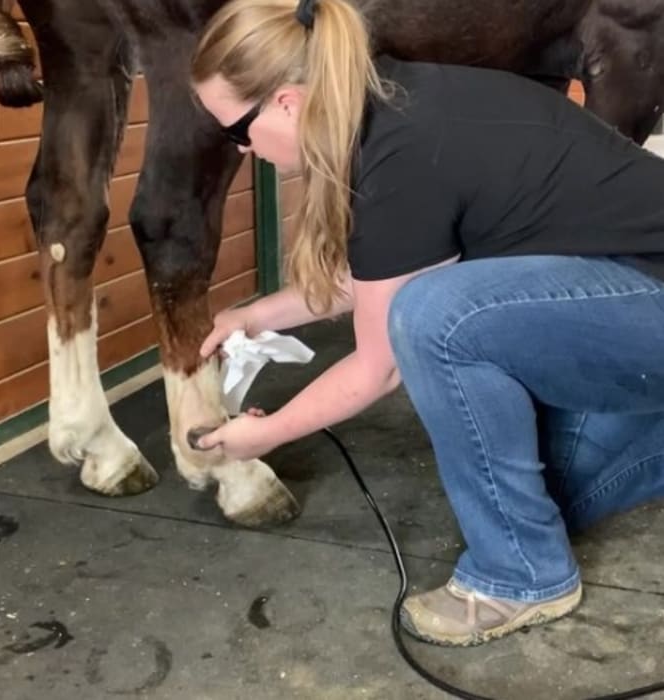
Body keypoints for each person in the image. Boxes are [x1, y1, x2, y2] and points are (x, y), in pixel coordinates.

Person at [191, 0, 664, 647]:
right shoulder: (392, 104)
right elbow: (385, 269)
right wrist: (257, 314)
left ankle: (521, 575)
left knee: (435, 316)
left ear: (286, 103)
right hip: (624, 299)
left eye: (235, 132)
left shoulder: (399, 154)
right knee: (547, 496)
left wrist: (263, 435)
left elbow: (378, 363)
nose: (242, 150)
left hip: (644, 299)